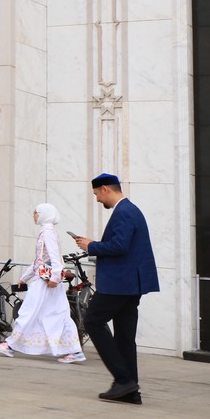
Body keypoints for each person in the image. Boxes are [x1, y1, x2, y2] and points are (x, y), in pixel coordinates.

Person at [73, 173, 159, 404]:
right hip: (129, 284)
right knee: (124, 337)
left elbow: (120, 246)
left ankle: (123, 380)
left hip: (120, 283)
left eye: (97, 194)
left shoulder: (124, 211)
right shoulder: (129, 210)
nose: (97, 200)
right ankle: (130, 391)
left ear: (105, 189)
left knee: (93, 321)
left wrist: (91, 245)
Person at [0, 204, 85, 364]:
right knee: (56, 315)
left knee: (28, 312)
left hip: (45, 283)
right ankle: (75, 351)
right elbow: (40, 260)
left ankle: (9, 345)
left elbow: (55, 258)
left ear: (44, 214)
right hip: (46, 281)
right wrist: (25, 277)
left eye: (36, 213)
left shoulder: (47, 232)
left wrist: (54, 278)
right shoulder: (47, 232)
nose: (34, 215)